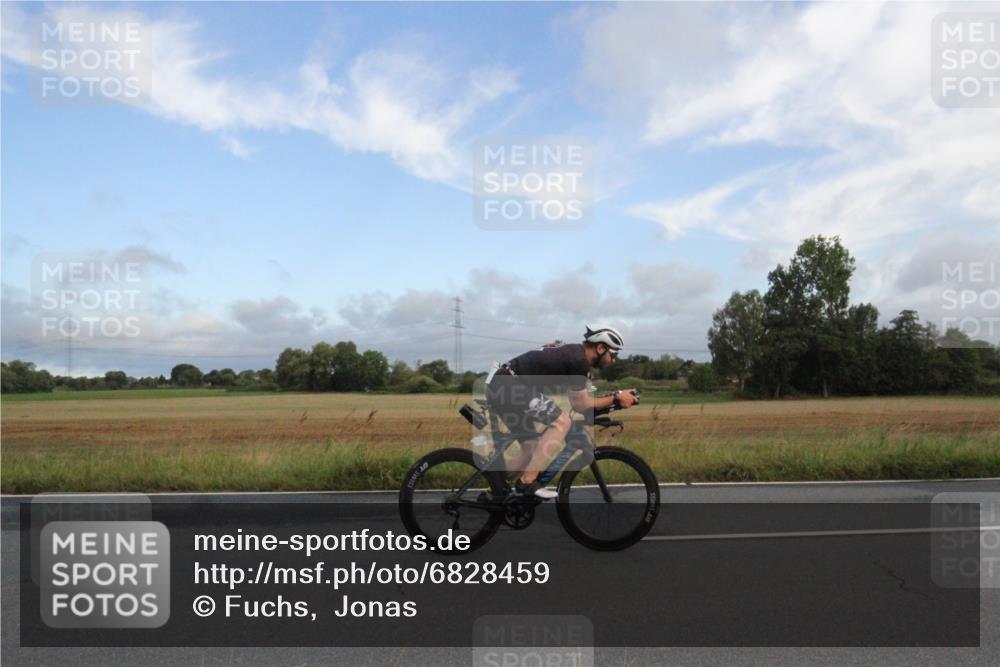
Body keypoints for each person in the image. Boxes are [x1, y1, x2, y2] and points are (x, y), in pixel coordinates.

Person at [486, 325, 639, 499]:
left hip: (503, 384)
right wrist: (616, 397)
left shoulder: (575, 355)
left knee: (532, 448)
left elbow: (580, 403)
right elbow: (581, 404)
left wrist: (613, 401)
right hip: (508, 386)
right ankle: (528, 481)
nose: (614, 360)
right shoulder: (578, 361)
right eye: (614, 353)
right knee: (562, 422)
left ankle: (495, 487)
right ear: (601, 348)